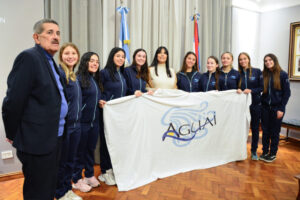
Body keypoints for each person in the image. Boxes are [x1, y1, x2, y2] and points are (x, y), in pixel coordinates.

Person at [2, 19, 68, 200]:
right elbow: (13, 100)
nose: (55, 37)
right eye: (49, 32)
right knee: (37, 191)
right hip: (37, 141)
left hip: (55, 137)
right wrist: (12, 132)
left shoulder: (51, 62)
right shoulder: (29, 58)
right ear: (36, 38)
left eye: (57, 33)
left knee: (48, 187)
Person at [55, 43, 83, 200]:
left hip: (76, 126)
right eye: (67, 53)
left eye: (73, 53)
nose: (70, 56)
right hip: (65, 127)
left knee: (71, 160)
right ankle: (60, 193)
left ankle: (67, 189)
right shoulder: (60, 74)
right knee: (63, 162)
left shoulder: (74, 75)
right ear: (61, 56)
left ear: (78, 56)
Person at [72, 52, 103, 192]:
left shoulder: (95, 79)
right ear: (85, 62)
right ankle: (77, 179)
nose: (95, 63)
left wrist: (100, 102)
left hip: (94, 122)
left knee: (90, 150)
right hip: (82, 123)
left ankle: (89, 175)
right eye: (91, 61)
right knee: (79, 152)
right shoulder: (78, 78)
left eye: (97, 61)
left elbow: (93, 99)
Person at [98, 47, 128, 185]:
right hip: (107, 113)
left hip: (119, 114)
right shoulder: (104, 73)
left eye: (123, 56)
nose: (121, 59)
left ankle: (113, 168)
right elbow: (98, 89)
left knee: (115, 142)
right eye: (118, 56)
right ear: (112, 57)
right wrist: (102, 100)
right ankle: (105, 171)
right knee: (106, 142)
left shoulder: (122, 74)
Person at [259, 53, 291, 162]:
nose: (268, 62)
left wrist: (281, 109)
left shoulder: (283, 75)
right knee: (265, 131)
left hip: (277, 108)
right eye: (266, 61)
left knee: (274, 132)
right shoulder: (263, 74)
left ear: (274, 61)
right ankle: (264, 151)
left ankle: (272, 153)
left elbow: (287, 93)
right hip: (265, 108)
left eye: (270, 60)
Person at [236, 52, 263, 161]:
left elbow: (262, 87)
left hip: (255, 104)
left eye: (244, 59)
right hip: (241, 106)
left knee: (255, 128)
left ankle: (253, 151)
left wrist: (251, 91)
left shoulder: (257, 71)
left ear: (248, 59)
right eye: (240, 59)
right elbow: (234, 87)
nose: (242, 61)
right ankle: (239, 150)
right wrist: (237, 89)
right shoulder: (238, 74)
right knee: (240, 128)